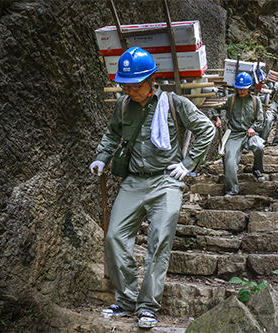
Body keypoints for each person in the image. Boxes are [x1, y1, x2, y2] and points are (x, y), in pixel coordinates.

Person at [89, 47, 215, 328]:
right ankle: (126, 299)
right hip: (133, 180)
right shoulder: (122, 105)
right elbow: (112, 134)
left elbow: (207, 129)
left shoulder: (174, 103)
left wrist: (188, 163)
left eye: (135, 86)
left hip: (166, 181)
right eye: (125, 85)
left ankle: (148, 306)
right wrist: (101, 157)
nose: (130, 91)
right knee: (114, 237)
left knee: (158, 244)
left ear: (151, 80)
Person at [213, 72, 265, 196]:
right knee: (230, 162)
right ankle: (232, 189)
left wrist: (253, 128)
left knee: (260, 147)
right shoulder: (231, 99)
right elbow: (216, 107)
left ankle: (257, 169)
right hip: (234, 135)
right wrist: (217, 118)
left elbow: (260, 120)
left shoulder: (255, 100)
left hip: (249, 135)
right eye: (239, 89)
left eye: (244, 89)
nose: (241, 92)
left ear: (249, 88)